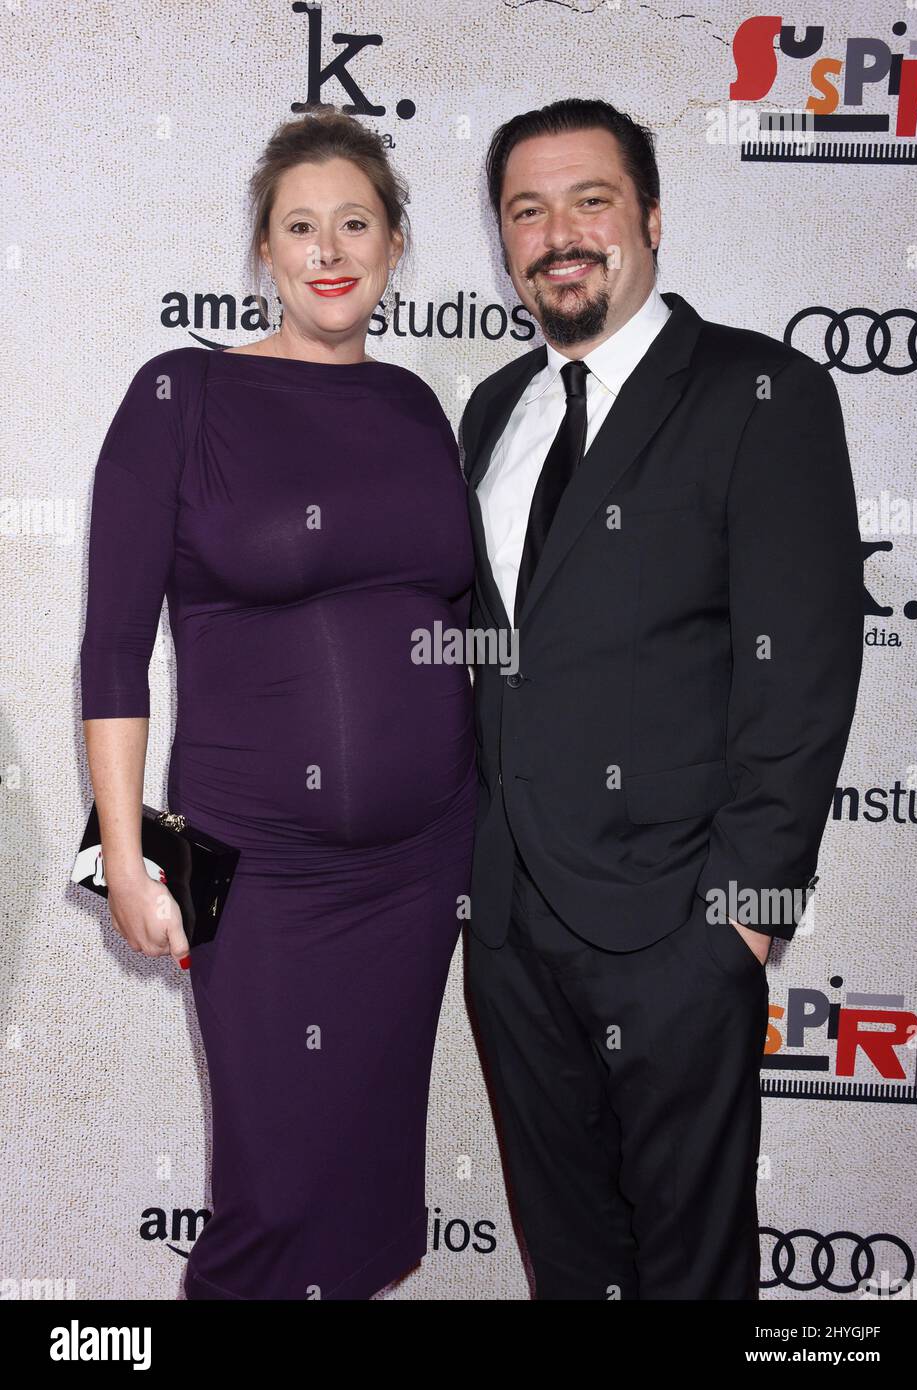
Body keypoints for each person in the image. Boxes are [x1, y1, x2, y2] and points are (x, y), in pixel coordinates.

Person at [460, 97, 863, 1300]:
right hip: (514, 929)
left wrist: (738, 923)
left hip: (679, 930)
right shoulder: (495, 409)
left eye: (590, 200)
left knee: (691, 1274)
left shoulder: (761, 391)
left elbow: (802, 672)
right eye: (528, 211)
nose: (559, 233)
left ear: (650, 216)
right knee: (569, 1264)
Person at [79, 108, 477, 1300]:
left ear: (397, 243)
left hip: (422, 865)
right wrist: (127, 856)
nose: (329, 248)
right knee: (273, 1195)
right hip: (262, 868)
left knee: (363, 1195)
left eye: (355, 221)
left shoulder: (417, 408)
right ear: (263, 251)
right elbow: (111, 649)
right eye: (299, 227)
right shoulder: (181, 396)